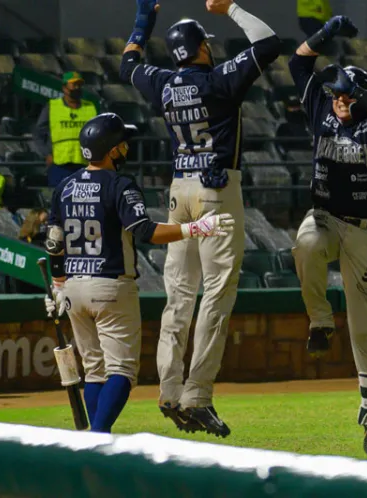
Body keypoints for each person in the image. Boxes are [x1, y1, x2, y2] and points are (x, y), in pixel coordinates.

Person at [119, 0, 280, 437]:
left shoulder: (163, 83)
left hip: (179, 190)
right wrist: (230, 8)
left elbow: (128, 63)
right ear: (200, 49)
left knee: (179, 295)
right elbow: (268, 43)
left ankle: (169, 390)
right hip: (215, 192)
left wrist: (142, 22)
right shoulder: (218, 80)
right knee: (217, 295)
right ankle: (198, 395)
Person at [43, 112, 233, 434]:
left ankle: (96, 436)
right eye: (122, 143)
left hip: (74, 287)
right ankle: (98, 437)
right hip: (111, 285)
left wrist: (58, 284)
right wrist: (195, 228)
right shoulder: (120, 184)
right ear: (112, 149)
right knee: (122, 371)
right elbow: (145, 231)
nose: (126, 147)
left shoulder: (64, 186)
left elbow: (53, 242)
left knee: (94, 371)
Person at [289, 15, 367, 459]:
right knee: (306, 246)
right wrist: (328, 31)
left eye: (345, 94)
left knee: (364, 327)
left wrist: (359, 94)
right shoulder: (321, 108)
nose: (338, 100)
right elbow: (299, 65)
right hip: (326, 216)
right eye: (335, 93)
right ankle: (319, 320)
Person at [34, 71, 98, 187]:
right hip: (59, 164)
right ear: (64, 88)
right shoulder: (52, 107)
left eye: (79, 84)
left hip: (84, 163)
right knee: (60, 200)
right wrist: (46, 154)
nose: (77, 88)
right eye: (74, 85)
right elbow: (38, 133)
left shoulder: (90, 107)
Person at [15, 208, 49, 294]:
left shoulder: (49, 240)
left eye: (48, 221)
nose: (46, 224)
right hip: (28, 287)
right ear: (34, 222)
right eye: (43, 221)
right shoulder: (22, 243)